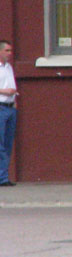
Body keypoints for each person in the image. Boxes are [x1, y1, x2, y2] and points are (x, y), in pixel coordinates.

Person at [0, 40, 16, 186]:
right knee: (0, 144)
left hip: (10, 107)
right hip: (0, 106)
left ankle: (4, 176)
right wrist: (4, 91)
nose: (10, 54)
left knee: (7, 142)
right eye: (7, 51)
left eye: (10, 51)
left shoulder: (9, 67)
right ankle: (2, 177)